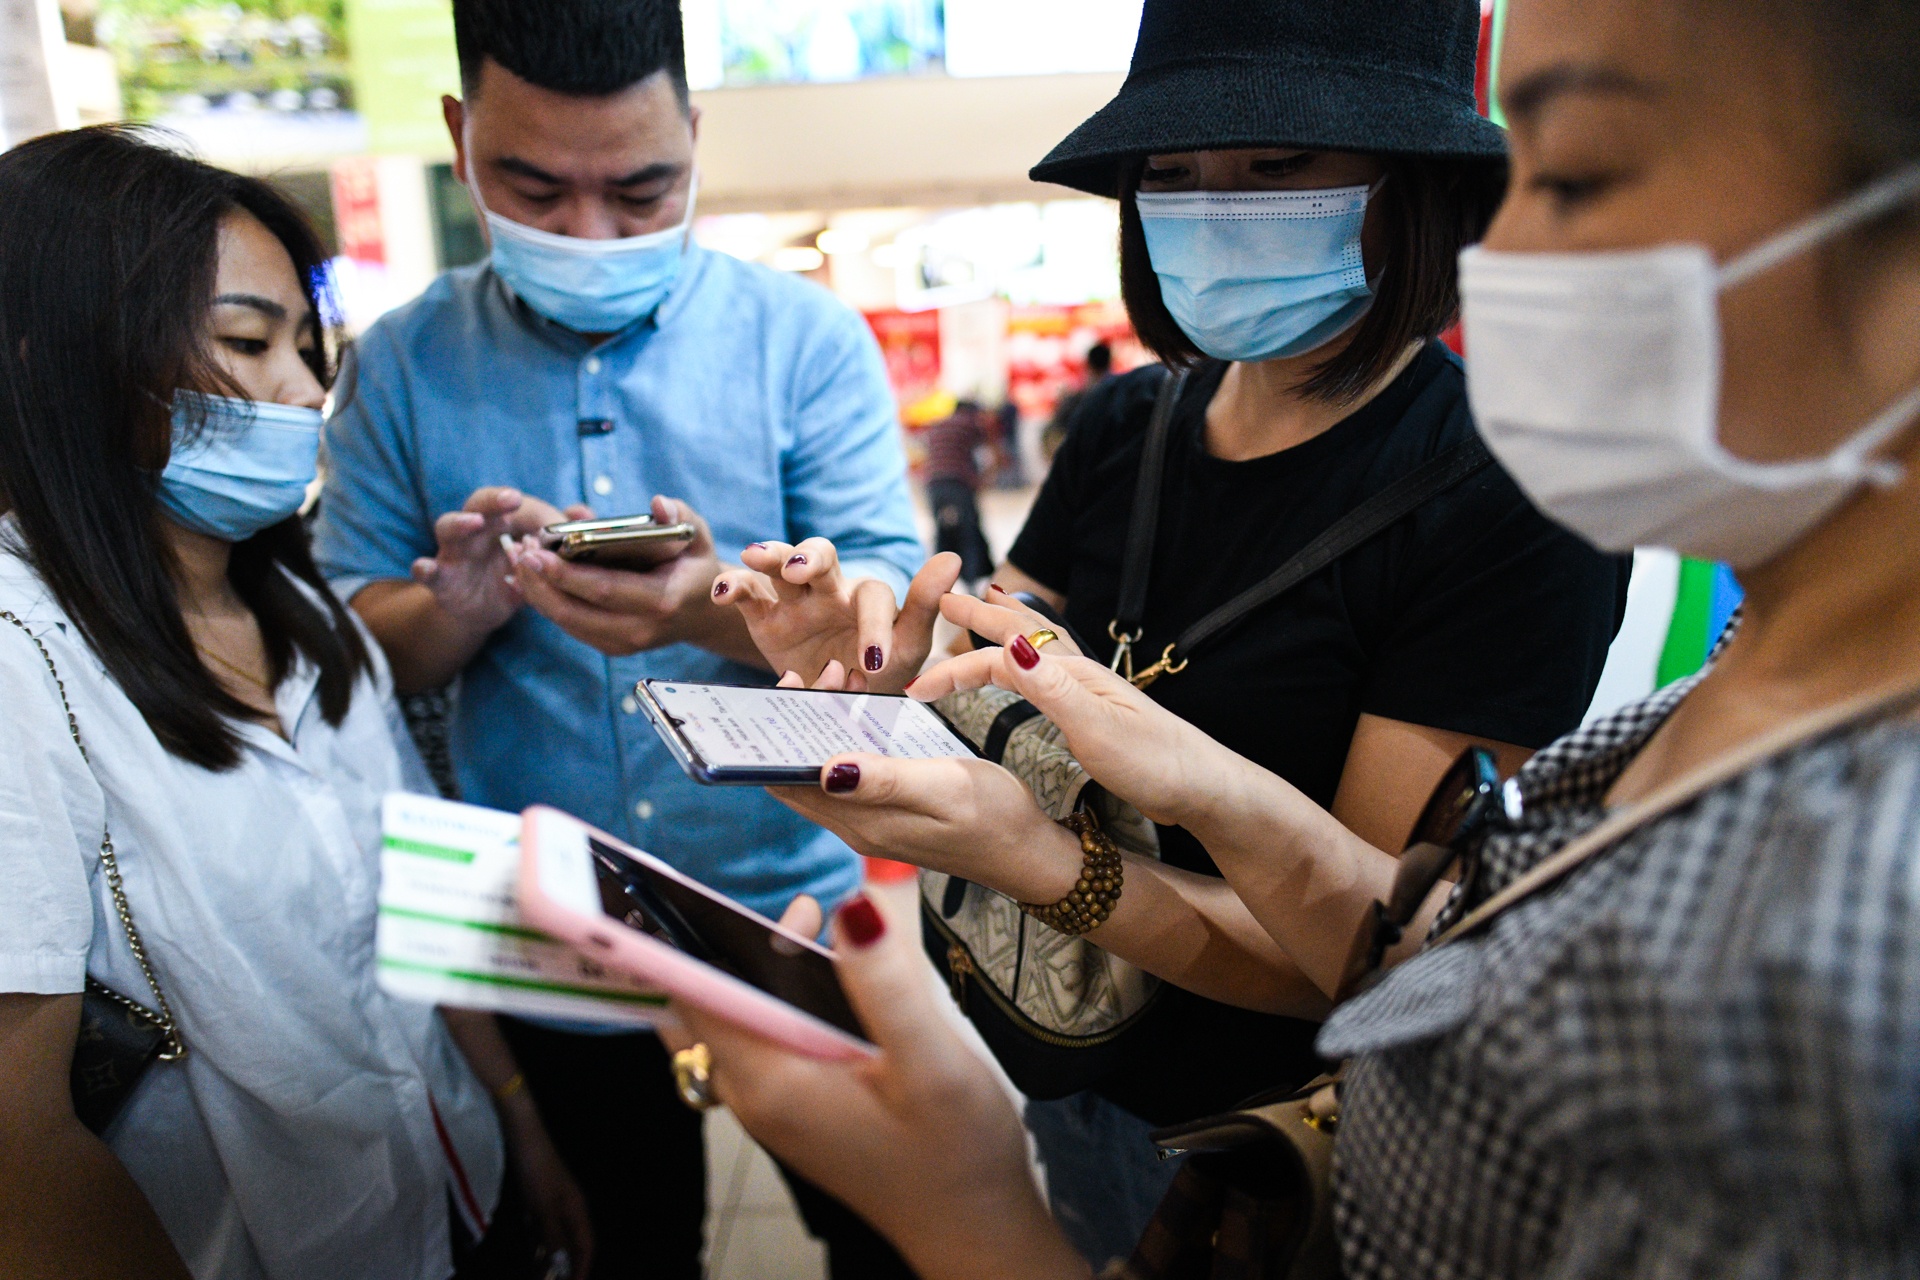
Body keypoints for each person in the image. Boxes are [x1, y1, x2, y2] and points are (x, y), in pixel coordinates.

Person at [668, 0, 1920, 1272]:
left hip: (1281, 1106)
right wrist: (871, 681)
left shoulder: (1840, 917)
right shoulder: (1127, 429)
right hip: (1085, 1071)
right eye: (1174, 174)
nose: (1517, 247)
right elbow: (1424, 929)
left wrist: (963, 1205)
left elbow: (1393, 974)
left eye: (1578, 175)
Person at [309, 1, 924, 1274]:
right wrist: (465, 603)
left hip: (787, 900)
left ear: (695, 140)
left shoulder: (802, 340)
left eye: (644, 190)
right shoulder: (401, 365)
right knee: (620, 1245)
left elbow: (888, 625)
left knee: (891, 1233)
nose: (592, 234)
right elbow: (357, 649)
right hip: (544, 917)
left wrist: (701, 602)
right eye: (535, 188)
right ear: (459, 138)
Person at [0, 125, 588, 1280]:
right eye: (247, 340)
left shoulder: (308, 619)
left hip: (439, 1195)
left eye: (309, 348)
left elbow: (415, 900)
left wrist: (515, 1114)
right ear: (64, 354)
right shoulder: (25, 661)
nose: (307, 390)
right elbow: (22, 1152)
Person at [922, 399, 996, 582]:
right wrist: (984, 479)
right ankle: (972, 582)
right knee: (968, 531)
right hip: (958, 483)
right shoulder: (969, 423)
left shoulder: (938, 425)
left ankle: (937, 582)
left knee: (943, 530)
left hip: (933, 485)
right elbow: (996, 454)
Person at [1041, 341, 1112, 460]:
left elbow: (1053, 430)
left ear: (1088, 364)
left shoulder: (1079, 398)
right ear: (1109, 363)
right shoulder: (1119, 392)